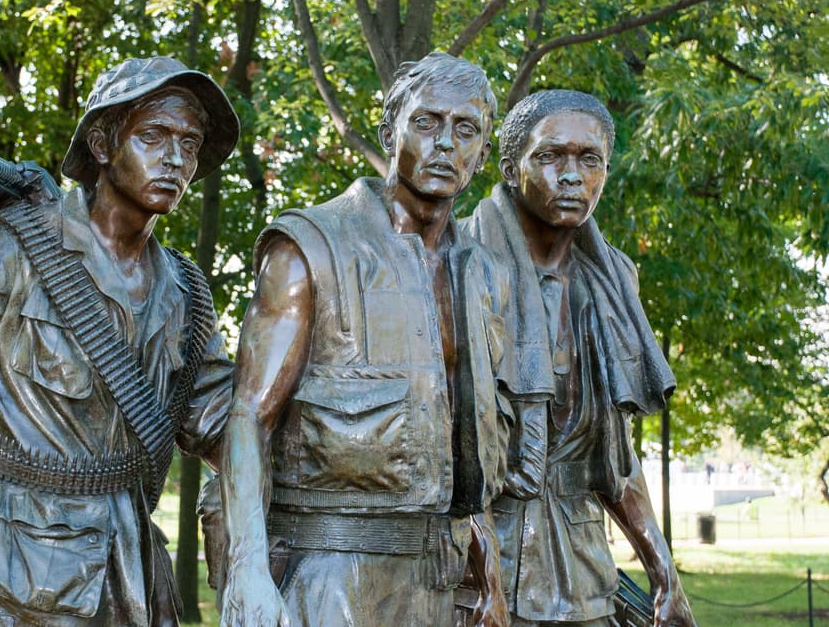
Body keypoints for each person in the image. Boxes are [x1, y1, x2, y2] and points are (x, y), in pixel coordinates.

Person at [0, 56, 239, 626]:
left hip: (132, 584)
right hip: (16, 584)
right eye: (153, 135)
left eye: (190, 142)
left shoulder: (187, 294)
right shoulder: (13, 250)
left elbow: (228, 430)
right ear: (103, 145)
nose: (175, 158)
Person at [218, 52, 548, 627]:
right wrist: (245, 569)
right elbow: (248, 415)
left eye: (465, 129)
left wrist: (488, 572)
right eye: (426, 122)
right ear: (388, 130)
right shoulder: (311, 247)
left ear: (484, 155)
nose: (445, 143)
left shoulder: (484, 274)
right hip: (330, 575)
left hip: (441, 582)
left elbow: (463, 441)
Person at [462, 89, 696, 627]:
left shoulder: (612, 283)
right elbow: (447, 453)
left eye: (588, 160)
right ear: (510, 167)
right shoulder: (461, 266)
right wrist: (486, 584)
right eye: (549, 156)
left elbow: (616, 458)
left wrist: (664, 573)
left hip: (583, 572)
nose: (571, 176)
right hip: (472, 572)